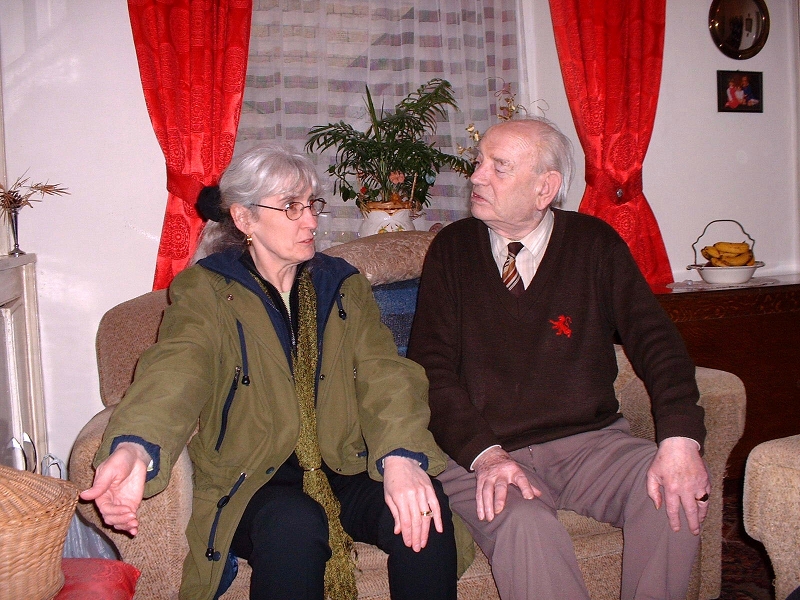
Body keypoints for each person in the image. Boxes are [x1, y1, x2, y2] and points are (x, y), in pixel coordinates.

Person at [81, 145, 457, 600]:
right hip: (252, 473)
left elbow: (385, 373)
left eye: (312, 204)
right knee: (293, 524)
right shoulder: (207, 290)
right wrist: (135, 447)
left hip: (342, 462)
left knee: (425, 507)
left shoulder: (340, 284)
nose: (311, 221)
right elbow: (176, 368)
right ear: (244, 218)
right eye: (291, 206)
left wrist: (400, 457)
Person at [406, 117, 710, 600]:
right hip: (483, 452)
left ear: (544, 188)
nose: (476, 176)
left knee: (671, 493)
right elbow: (431, 371)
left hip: (591, 445)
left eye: (498, 167)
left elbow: (657, 341)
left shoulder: (594, 243)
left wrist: (679, 438)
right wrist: (487, 455)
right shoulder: (452, 249)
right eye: (479, 162)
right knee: (526, 524)